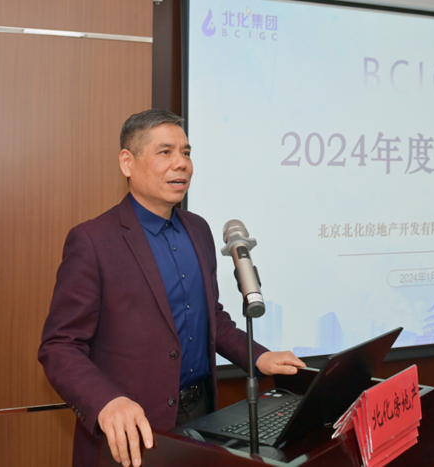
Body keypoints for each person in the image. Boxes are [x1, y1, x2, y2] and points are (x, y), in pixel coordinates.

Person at [38, 109, 305, 467]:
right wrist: (106, 402)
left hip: (203, 418)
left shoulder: (199, 230)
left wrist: (258, 357)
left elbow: (212, 317)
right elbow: (59, 347)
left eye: (186, 152)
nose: (181, 163)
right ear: (127, 162)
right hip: (133, 433)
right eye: (165, 152)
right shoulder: (93, 241)